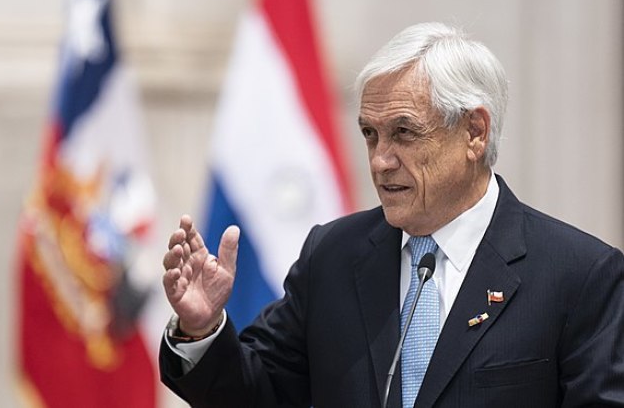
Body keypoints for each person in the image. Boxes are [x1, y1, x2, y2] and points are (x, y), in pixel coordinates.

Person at [159, 22, 624, 407]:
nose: (381, 160)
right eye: (370, 134)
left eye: (404, 132)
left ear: (475, 133)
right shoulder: (333, 257)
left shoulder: (579, 276)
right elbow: (258, 395)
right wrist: (202, 327)